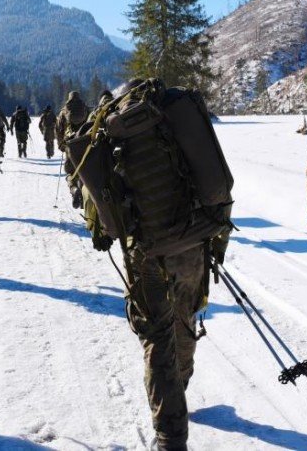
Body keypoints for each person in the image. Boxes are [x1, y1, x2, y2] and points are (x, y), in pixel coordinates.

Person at [79, 81, 231, 451]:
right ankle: (180, 386)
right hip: (193, 242)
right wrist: (216, 241)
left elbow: (98, 206)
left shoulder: (108, 132)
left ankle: (170, 435)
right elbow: (216, 183)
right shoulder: (174, 115)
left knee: (157, 337)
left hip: (145, 252)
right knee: (186, 316)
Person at [55, 91, 91, 208]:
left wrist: (61, 145)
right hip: (85, 143)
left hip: (70, 145)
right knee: (85, 170)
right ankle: (86, 194)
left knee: (71, 172)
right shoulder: (86, 109)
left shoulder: (64, 111)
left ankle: (74, 188)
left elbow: (59, 129)